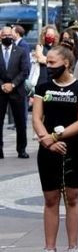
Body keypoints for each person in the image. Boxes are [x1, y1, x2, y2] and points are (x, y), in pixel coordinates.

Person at [33, 46, 78, 252]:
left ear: (66, 63)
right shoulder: (43, 88)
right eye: (47, 62)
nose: (48, 67)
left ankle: (73, 247)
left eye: (52, 63)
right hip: (47, 148)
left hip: (72, 148)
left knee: (72, 197)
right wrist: (47, 141)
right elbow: (37, 118)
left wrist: (57, 136)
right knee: (51, 198)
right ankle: (50, 248)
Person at [0, 26, 30, 158]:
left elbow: (25, 71)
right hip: (0, 91)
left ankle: (21, 149)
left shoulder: (21, 51)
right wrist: (2, 85)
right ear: (0, 37)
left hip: (17, 91)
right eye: (4, 35)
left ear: (13, 36)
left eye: (9, 35)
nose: (7, 37)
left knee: (21, 123)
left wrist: (12, 84)